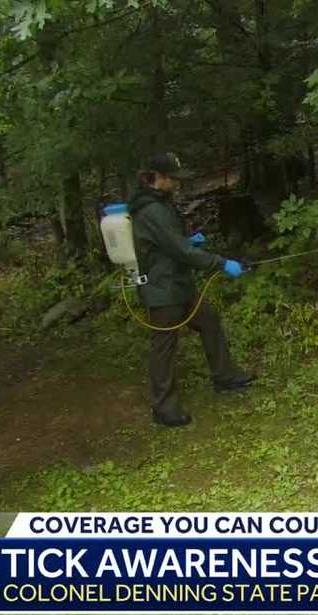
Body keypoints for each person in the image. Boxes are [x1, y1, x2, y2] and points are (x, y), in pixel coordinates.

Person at [128, 152, 254, 427]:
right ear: (157, 177)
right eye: (173, 178)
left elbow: (172, 242)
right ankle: (164, 409)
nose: (177, 183)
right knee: (164, 346)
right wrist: (222, 263)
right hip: (162, 289)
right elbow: (179, 251)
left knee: (208, 320)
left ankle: (225, 377)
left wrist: (188, 241)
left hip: (179, 284)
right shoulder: (150, 210)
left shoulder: (160, 202)